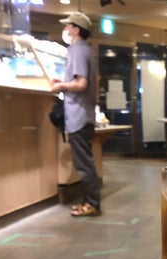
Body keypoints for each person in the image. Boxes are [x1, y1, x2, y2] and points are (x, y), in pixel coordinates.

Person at [51, 12, 101, 217]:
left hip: (78, 116)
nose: (65, 29)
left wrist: (61, 86)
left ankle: (92, 204)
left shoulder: (77, 50)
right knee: (85, 162)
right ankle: (89, 202)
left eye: (68, 25)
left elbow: (82, 83)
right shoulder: (87, 50)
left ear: (76, 29)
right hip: (85, 115)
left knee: (84, 164)